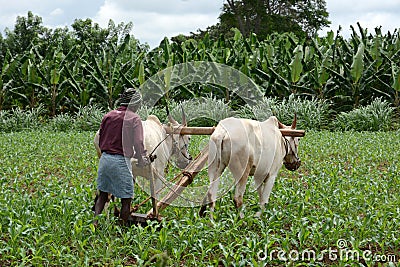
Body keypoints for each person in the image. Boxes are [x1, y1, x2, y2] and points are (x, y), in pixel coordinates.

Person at [94, 87, 149, 226]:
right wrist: (142, 159)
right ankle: (122, 230)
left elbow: (101, 138)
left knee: (102, 195)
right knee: (126, 198)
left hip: (105, 159)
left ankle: (94, 223)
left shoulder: (108, 115)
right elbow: (138, 142)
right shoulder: (134, 118)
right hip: (121, 161)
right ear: (135, 104)